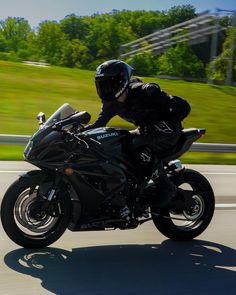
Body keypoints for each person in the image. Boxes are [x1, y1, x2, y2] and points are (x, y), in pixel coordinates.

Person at [84, 59, 191, 214]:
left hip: (168, 133)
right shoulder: (112, 103)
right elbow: (98, 124)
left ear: (121, 81)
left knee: (137, 144)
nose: (105, 89)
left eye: (108, 84)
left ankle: (164, 186)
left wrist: (167, 120)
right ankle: (131, 186)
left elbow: (183, 106)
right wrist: (78, 130)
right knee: (118, 141)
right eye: (101, 85)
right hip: (147, 132)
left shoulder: (144, 92)